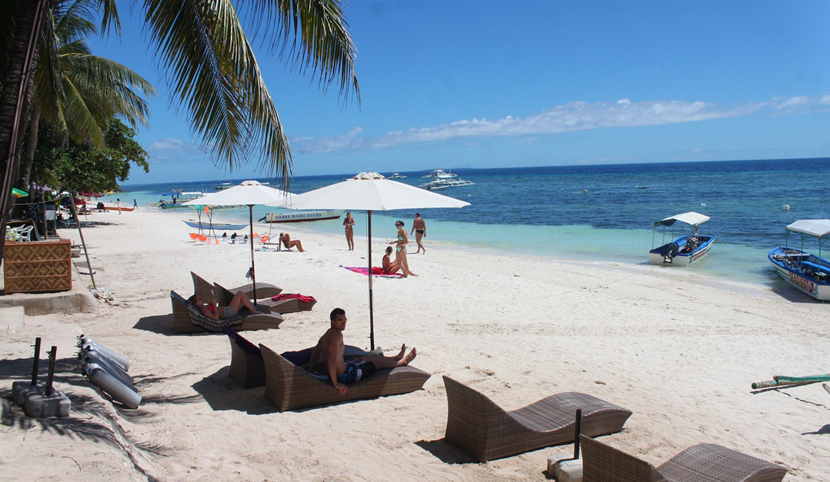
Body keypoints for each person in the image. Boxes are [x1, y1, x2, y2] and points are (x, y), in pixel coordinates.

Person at [309, 308, 417, 395]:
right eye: (340, 320)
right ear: (332, 321)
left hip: (345, 368)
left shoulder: (327, 334)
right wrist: (335, 383)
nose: (344, 323)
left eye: (345, 320)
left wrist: (312, 371)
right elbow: (331, 360)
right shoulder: (337, 337)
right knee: (376, 363)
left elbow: (315, 352)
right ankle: (403, 362)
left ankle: (396, 357)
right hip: (346, 376)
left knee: (368, 357)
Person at [188, 290, 261, 320]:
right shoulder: (203, 310)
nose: (201, 299)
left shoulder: (203, 307)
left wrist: (213, 304)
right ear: (196, 303)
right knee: (240, 293)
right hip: (228, 313)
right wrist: (214, 306)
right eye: (199, 299)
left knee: (243, 299)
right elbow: (216, 318)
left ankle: (253, 309)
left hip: (227, 310)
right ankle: (253, 310)